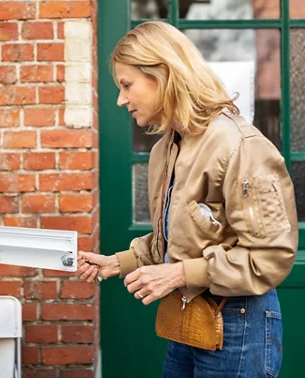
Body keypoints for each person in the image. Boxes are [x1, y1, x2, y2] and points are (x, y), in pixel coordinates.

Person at [77, 21, 298, 378]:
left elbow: (270, 256)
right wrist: (117, 262)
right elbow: (182, 233)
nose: (121, 99)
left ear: (162, 73)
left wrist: (178, 273)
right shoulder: (167, 148)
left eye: (127, 85)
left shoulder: (238, 145)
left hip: (238, 326)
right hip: (189, 322)